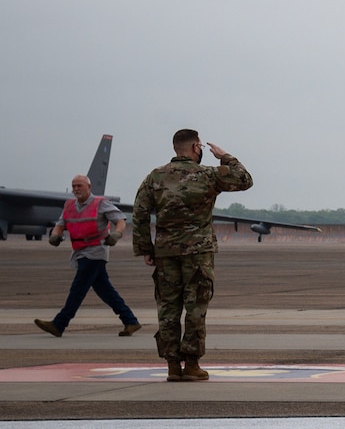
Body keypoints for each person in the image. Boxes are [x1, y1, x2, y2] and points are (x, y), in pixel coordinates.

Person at [129, 130, 253, 382]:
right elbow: (245, 179)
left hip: (165, 253)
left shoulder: (155, 176)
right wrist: (225, 156)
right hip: (198, 252)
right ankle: (192, 364)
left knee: (168, 309)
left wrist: (145, 249)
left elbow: (140, 213)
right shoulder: (208, 175)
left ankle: (173, 365)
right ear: (196, 147)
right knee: (195, 307)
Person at [35, 175, 143, 338]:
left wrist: (116, 234)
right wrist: (55, 236)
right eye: (74, 186)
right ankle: (130, 320)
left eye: (80, 185)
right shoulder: (69, 205)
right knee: (104, 290)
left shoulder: (100, 203)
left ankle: (59, 324)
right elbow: (60, 224)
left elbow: (120, 219)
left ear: (89, 187)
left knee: (78, 288)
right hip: (79, 250)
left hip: (96, 251)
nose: (76, 189)